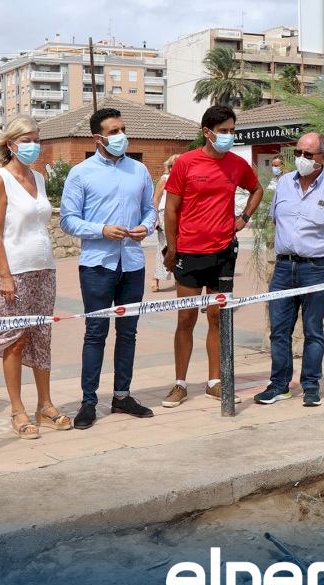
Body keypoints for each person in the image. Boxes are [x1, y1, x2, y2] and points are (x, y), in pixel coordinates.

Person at [60, 108, 156, 428]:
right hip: (97, 266)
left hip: (132, 264)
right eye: (113, 132)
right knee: (95, 333)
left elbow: (150, 210)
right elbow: (68, 220)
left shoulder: (139, 170)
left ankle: (122, 396)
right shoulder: (81, 173)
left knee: (128, 332)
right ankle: (89, 402)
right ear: (97, 138)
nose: (120, 136)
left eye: (122, 129)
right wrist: (101, 230)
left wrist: (146, 227)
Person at [161, 105, 263, 408]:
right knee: (186, 318)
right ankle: (180, 384)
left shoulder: (236, 164)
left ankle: (215, 382)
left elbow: (257, 189)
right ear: (207, 132)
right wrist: (172, 249)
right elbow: (170, 210)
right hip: (189, 253)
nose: (229, 136)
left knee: (217, 318)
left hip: (223, 253)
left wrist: (243, 218)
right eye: (223, 131)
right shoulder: (186, 163)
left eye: (232, 130)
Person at [0, 117, 71, 439]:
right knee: (15, 340)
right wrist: (5, 275)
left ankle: (45, 404)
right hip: (14, 271)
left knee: (41, 336)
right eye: (27, 140)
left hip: (44, 268)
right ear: (11, 144)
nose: (34, 146)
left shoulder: (39, 177)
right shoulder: (0, 180)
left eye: (37, 139)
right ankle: (17, 409)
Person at [255, 132, 324, 407]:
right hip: (283, 268)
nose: (301, 158)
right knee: (279, 330)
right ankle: (279, 385)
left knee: (313, 330)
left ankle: (311, 385)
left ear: (323, 157)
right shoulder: (284, 184)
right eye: (298, 152)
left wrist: (323, 251)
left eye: (308, 154)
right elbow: (277, 220)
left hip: (316, 269)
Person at [151, 155, 177, 292]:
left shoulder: (184, 180)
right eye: (172, 166)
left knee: (178, 246)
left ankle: (178, 277)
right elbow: (155, 199)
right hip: (164, 214)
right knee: (164, 246)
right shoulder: (164, 179)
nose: (174, 168)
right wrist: (155, 218)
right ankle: (156, 278)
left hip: (179, 215)